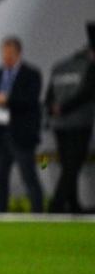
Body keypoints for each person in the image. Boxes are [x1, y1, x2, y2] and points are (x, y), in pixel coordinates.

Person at [0, 37, 44, 212]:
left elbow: (32, 100)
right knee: (0, 179)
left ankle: (38, 214)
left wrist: (8, 100)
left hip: (22, 135)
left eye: (10, 53)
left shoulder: (31, 74)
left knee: (29, 176)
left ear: (18, 53)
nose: (6, 57)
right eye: (4, 53)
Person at [46, 24, 95, 214]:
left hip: (59, 125)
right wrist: (64, 108)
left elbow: (49, 95)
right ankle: (56, 206)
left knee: (67, 164)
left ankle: (73, 205)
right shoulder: (89, 67)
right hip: (79, 122)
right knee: (72, 166)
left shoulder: (61, 66)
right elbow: (87, 93)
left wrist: (54, 109)